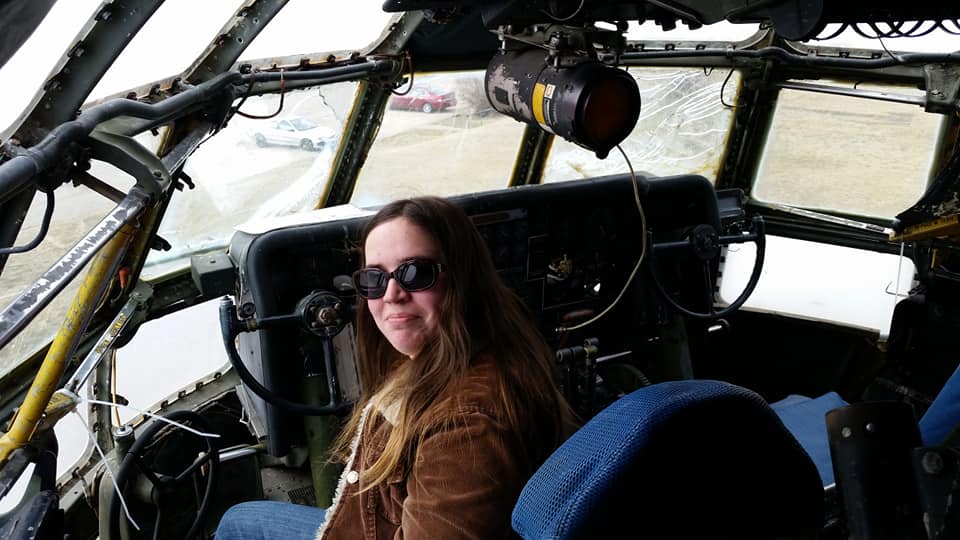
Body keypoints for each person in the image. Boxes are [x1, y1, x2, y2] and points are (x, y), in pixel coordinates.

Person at [215, 196, 576, 540]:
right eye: (374, 278)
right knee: (238, 519)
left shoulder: (466, 427)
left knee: (237, 527)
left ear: (463, 280)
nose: (391, 294)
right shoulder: (476, 352)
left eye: (415, 272)